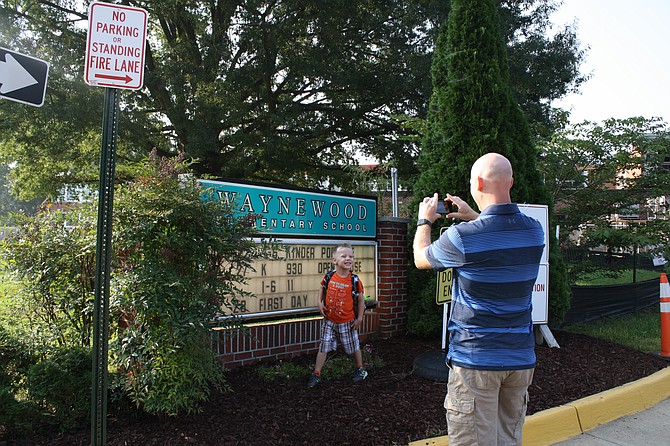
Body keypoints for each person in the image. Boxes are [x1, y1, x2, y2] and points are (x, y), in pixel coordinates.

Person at [413, 153, 544, 446]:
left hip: (475, 361)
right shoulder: (534, 231)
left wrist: (425, 220)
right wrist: (474, 214)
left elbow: (421, 258)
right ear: (510, 181)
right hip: (520, 361)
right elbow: (496, 234)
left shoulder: (463, 238)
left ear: (479, 183)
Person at [308, 244, 367, 388]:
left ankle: (360, 369)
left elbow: (360, 300)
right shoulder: (329, 276)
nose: (348, 259)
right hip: (329, 320)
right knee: (323, 346)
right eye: (344, 256)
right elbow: (322, 288)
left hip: (347, 322)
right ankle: (316, 374)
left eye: (351, 256)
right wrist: (319, 302)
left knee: (353, 346)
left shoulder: (354, 281)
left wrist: (359, 318)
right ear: (334, 260)